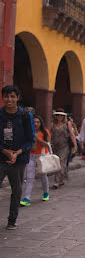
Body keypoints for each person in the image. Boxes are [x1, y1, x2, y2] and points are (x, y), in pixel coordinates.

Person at [0, 85, 35, 230]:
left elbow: (30, 139)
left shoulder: (25, 115)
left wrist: (17, 152)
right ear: (3, 97)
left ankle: (11, 220)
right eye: (6, 96)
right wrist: (5, 151)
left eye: (12, 96)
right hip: (1, 157)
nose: (9, 99)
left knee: (16, 190)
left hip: (19, 159)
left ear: (17, 98)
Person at [20, 115, 51, 206]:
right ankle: (27, 198)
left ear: (41, 123)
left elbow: (47, 144)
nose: (36, 123)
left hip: (42, 156)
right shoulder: (28, 132)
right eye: (34, 122)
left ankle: (46, 192)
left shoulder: (45, 132)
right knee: (29, 177)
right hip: (31, 156)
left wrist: (36, 138)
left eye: (38, 122)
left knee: (42, 175)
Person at [50, 110, 76, 189]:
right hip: (55, 146)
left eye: (61, 115)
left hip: (64, 146)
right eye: (57, 115)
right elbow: (50, 135)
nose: (59, 117)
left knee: (61, 161)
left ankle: (56, 181)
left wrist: (75, 145)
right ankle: (62, 178)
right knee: (57, 163)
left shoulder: (67, 123)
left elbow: (72, 134)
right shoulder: (52, 124)